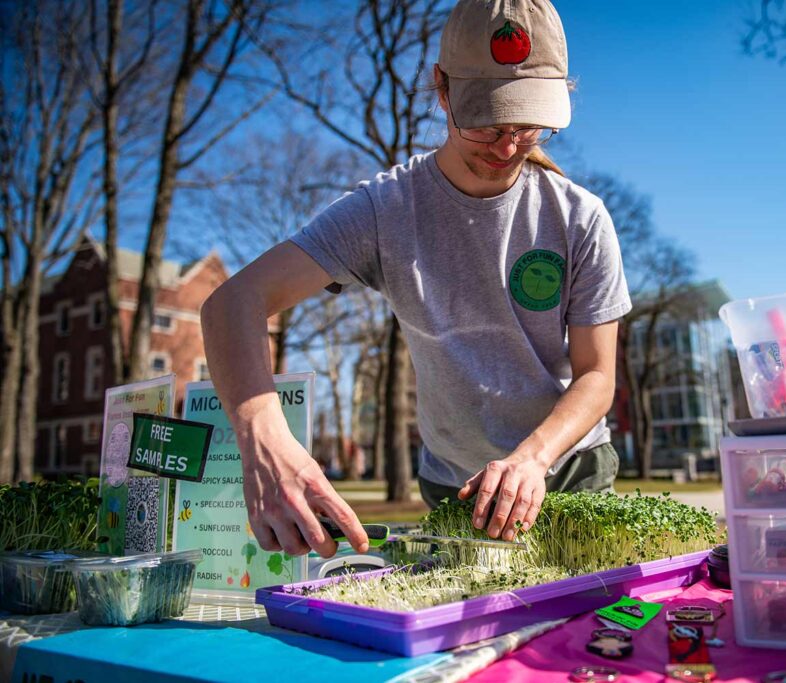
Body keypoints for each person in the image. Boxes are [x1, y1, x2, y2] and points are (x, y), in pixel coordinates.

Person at [200, 0, 631, 559]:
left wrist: (534, 457)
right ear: (443, 89)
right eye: (487, 121)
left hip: (571, 469)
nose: (507, 147)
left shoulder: (580, 217)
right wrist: (266, 439)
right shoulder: (384, 212)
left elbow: (597, 376)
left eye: (527, 124)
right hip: (456, 485)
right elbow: (233, 303)